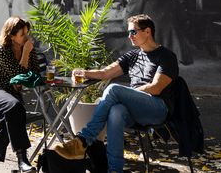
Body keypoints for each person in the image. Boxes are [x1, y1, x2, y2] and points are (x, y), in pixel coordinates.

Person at [52, 14, 179, 173]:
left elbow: (156, 88)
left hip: (157, 108)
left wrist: (127, 93)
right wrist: (84, 72)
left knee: (114, 89)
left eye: (133, 32)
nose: (129, 36)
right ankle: (114, 170)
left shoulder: (166, 56)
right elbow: (105, 73)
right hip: (134, 112)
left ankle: (83, 140)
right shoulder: (132, 56)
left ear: (147, 31)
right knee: (116, 111)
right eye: (129, 32)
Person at [0, 17, 39, 173]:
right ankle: (22, 160)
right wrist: (26, 53)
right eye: (22, 34)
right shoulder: (3, 50)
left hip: (12, 96)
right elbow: (19, 76)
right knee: (15, 107)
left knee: (14, 111)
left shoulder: (28, 47)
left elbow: (35, 73)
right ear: (11, 36)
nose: (27, 37)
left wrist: (27, 53)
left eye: (27, 33)